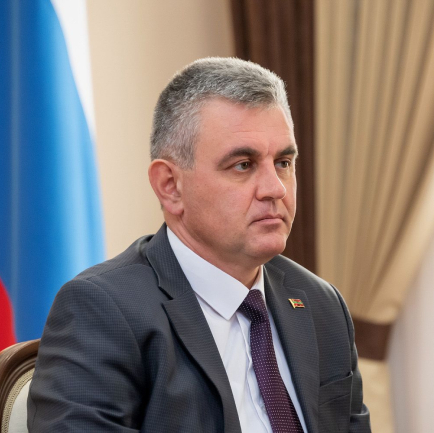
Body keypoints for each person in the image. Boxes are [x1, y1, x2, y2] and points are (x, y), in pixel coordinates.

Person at [27, 57, 371, 433]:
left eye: (284, 162)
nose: (275, 189)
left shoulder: (321, 304)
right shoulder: (103, 312)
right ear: (170, 187)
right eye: (243, 164)